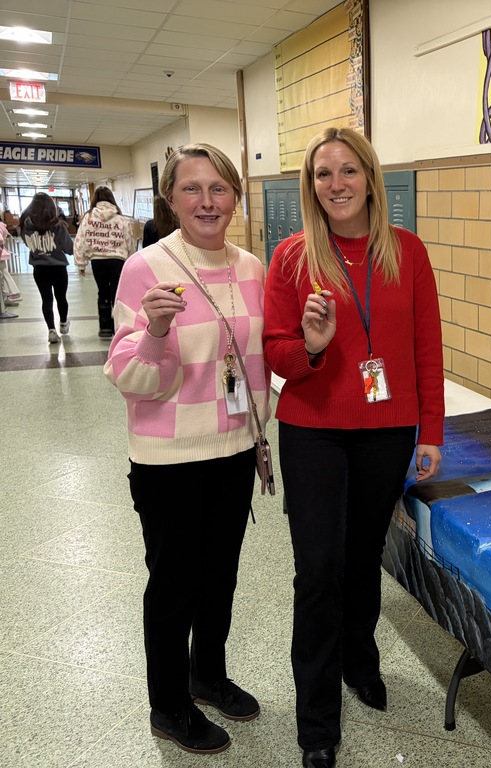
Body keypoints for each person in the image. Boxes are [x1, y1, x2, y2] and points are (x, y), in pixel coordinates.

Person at [263, 127, 444, 768]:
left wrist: (431, 431)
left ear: (369, 178)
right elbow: (276, 352)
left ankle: (359, 661)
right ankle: (316, 724)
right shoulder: (292, 258)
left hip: (386, 429)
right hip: (312, 427)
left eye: (347, 171)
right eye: (322, 174)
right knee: (318, 571)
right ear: (310, 185)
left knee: (364, 558)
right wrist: (311, 347)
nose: (335, 184)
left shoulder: (407, 253)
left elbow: (426, 346)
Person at [103, 143, 270, 755]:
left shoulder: (252, 267)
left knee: (220, 574)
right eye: (192, 189)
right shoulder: (144, 267)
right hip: (168, 457)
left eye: (219, 188)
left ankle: (208, 674)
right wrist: (154, 331)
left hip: (235, 446)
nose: (207, 201)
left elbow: (259, 353)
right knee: (175, 584)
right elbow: (128, 377)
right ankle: (168, 705)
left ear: (235, 198)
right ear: (170, 199)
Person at [74, 187, 133, 338]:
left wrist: (81, 263)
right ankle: (120, 325)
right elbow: (129, 240)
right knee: (117, 293)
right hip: (117, 260)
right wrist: (131, 260)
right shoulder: (121, 219)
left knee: (103, 291)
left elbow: (81, 240)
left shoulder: (88, 218)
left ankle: (105, 327)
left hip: (97, 261)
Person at [20, 193, 74, 343]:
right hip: (58, 268)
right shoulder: (58, 226)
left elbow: (28, 243)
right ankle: (63, 323)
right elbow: (69, 248)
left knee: (46, 299)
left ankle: (51, 330)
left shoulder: (26, 226)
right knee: (61, 297)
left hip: (39, 269)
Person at [0, 219, 21, 304]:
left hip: (0, 253)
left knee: (4, 273)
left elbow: (0, 239)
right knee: (4, 273)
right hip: (2, 252)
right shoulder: (2, 226)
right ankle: (5, 293)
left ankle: (14, 292)